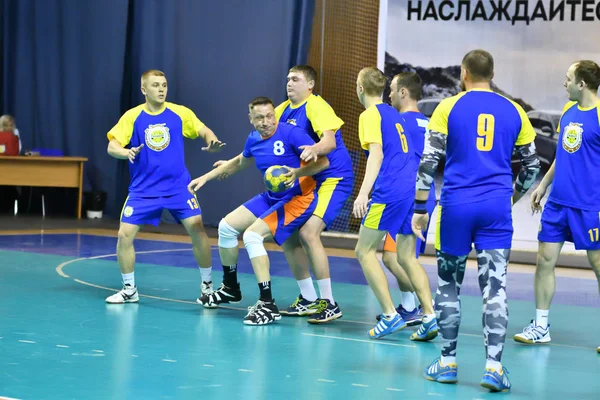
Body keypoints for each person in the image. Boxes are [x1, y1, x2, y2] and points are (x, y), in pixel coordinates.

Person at [411, 50, 541, 391]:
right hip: (495, 209)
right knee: (495, 288)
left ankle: (448, 362)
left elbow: (427, 164)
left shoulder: (447, 107)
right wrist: (510, 197)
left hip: (456, 207)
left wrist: (420, 210)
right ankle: (494, 368)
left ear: (463, 73)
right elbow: (532, 167)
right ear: (492, 73)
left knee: (448, 285)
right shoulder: (515, 110)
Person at [189, 96, 329, 325]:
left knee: (252, 236)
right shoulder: (253, 139)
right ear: (251, 119)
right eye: (260, 118)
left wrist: (296, 172)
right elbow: (240, 163)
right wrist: (206, 177)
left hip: (298, 198)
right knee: (226, 228)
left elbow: (323, 163)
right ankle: (231, 288)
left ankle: (267, 304)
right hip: (272, 197)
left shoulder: (292, 134)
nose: (266, 122)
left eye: (269, 116)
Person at [105, 69, 224, 304]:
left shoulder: (179, 113)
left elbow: (203, 130)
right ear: (144, 89)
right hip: (143, 190)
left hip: (178, 187)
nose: (161, 89)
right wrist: (125, 151)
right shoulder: (132, 116)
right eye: (156, 85)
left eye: (164, 85)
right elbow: (112, 145)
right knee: (124, 236)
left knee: (198, 230)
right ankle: (129, 290)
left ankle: (208, 287)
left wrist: (211, 142)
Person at [513, 60, 600, 355]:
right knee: (544, 261)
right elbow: (562, 157)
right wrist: (542, 186)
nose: (564, 83)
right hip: (558, 203)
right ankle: (540, 326)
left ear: (583, 84)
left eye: (568, 79)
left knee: (599, 266)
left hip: (590, 206)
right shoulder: (567, 112)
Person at [352, 67, 438, 340]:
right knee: (405, 256)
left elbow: (375, 155)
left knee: (363, 251)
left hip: (389, 189)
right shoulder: (394, 114)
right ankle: (430, 315)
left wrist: (363, 193)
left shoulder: (369, 115)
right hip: (411, 190)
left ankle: (390, 315)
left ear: (361, 89)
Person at [273, 65, 354, 323]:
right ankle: (308, 298)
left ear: (310, 85)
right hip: (308, 179)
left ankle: (329, 303)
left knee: (309, 232)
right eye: (287, 79)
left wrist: (313, 149)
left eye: (295, 79)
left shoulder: (316, 105)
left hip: (333, 177)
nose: (289, 83)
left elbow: (329, 142)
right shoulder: (282, 110)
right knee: (288, 234)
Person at [374, 71, 439, 327]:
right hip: (424, 196)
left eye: (391, 88)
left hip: (406, 196)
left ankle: (425, 310)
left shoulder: (400, 124)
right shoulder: (428, 123)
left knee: (397, 257)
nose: (388, 94)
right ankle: (414, 307)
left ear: (403, 92)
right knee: (401, 257)